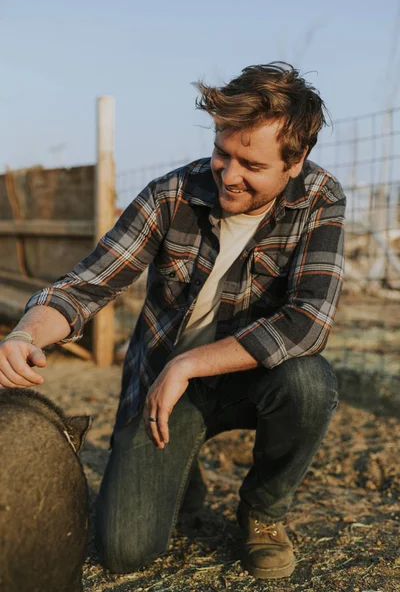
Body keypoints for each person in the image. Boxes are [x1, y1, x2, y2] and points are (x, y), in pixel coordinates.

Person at [0, 62, 345, 580]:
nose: (229, 175)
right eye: (222, 153)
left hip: (248, 376)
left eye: (250, 164)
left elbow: (308, 321)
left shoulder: (321, 199)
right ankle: (183, 467)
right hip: (164, 386)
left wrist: (190, 362)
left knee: (311, 383)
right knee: (124, 551)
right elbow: (87, 285)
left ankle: (264, 511)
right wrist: (26, 333)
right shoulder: (172, 194)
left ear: (294, 163)